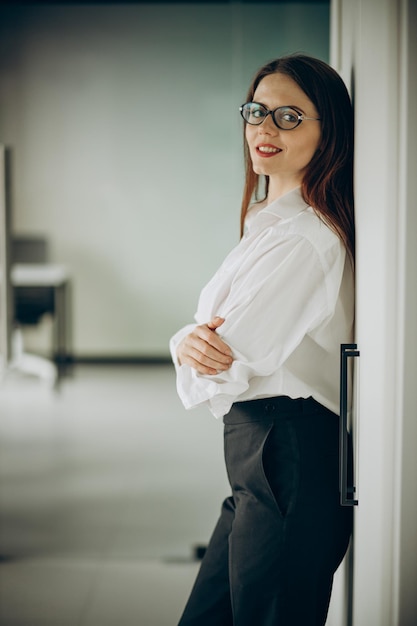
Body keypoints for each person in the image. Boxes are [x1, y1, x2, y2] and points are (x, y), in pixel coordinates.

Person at [169, 53, 355, 626]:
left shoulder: (304, 238)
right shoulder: (267, 222)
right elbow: (208, 341)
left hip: (287, 454)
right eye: (257, 111)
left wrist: (188, 345)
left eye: (289, 117)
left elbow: (223, 364)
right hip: (262, 460)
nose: (264, 129)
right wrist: (186, 340)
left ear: (330, 132)